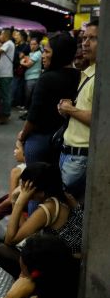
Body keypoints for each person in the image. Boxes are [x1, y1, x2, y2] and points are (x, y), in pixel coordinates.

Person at [0, 162, 83, 280]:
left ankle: (37, 288)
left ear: (34, 188)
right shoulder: (66, 197)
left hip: (65, 271)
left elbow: (10, 240)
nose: (22, 189)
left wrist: (20, 202)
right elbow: (26, 231)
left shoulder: (49, 208)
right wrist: (14, 201)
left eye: (25, 186)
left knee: (1, 251)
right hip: (74, 263)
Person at [19, 33, 79, 166]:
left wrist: (22, 137)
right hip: (67, 140)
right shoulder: (79, 76)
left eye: (46, 52)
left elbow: (33, 117)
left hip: (42, 142)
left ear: (58, 54)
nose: (42, 55)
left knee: (34, 183)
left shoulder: (46, 79)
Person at [58, 20, 97, 201]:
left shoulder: (100, 77)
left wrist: (70, 110)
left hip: (80, 157)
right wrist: (70, 110)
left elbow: (98, 119)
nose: (85, 43)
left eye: (93, 38)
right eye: (84, 38)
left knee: (61, 203)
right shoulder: (88, 72)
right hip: (70, 153)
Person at [0, 28, 16, 124]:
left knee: (5, 95)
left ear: (6, 35)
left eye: (1, 35)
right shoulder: (8, 44)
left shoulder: (8, 43)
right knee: (4, 94)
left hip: (5, 73)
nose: (0, 36)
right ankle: (4, 114)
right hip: (5, 72)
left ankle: (5, 115)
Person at [19, 37, 43, 111]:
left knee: (30, 97)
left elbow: (28, 64)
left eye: (34, 44)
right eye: (31, 44)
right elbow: (25, 59)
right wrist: (24, 60)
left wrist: (22, 62)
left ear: (38, 45)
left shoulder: (38, 53)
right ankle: (27, 113)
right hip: (29, 77)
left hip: (33, 77)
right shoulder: (31, 53)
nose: (32, 46)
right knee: (28, 96)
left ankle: (29, 113)